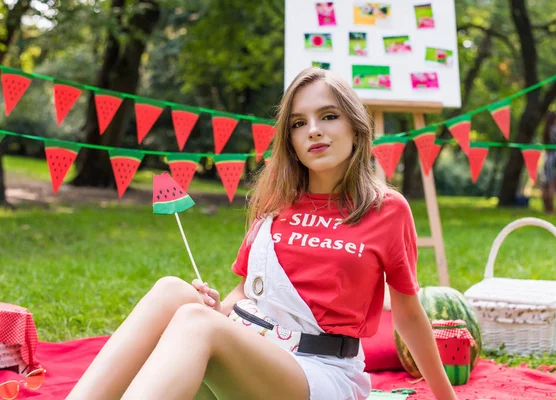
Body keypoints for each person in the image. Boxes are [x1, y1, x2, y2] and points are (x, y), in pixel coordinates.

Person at [66, 67, 456, 400]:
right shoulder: (276, 201)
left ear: (356, 125)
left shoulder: (386, 209)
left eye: (328, 116)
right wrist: (216, 308)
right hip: (258, 348)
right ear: (291, 141)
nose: (314, 131)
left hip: (321, 371)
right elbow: (245, 294)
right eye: (299, 123)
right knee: (175, 292)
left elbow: (407, 315)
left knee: (195, 323)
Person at [541, 111, 556, 214]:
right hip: (554, 159)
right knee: (552, 184)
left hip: (548, 157)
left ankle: (547, 208)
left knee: (547, 184)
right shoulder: (555, 129)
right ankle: (550, 209)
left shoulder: (547, 129)